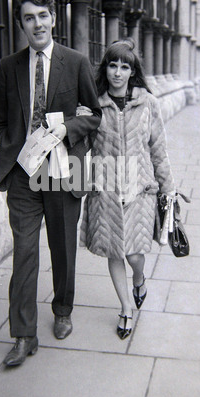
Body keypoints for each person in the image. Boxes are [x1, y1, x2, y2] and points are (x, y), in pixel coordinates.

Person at [0, 0, 101, 366]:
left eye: (42, 15)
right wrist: (5, 150)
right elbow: (0, 121)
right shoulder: (8, 67)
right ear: (20, 24)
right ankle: (23, 334)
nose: (36, 24)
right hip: (23, 173)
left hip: (61, 170)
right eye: (28, 18)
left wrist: (66, 129)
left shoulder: (76, 62)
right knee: (24, 252)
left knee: (62, 247)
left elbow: (95, 116)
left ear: (53, 18)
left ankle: (63, 308)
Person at [80, 39, 175, 339]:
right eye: (112, 65)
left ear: (132, 72)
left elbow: (158, 148)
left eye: (124, 67)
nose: (118, 73)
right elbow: (82, 146)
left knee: (134, 254)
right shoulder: (95, 104)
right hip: (105, 190)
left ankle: (139, 279)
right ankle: (125, 309)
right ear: (105, 68)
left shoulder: (148, 103)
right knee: (113, 251)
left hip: (140, 189)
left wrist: (168, 187)